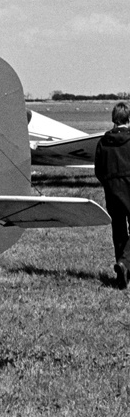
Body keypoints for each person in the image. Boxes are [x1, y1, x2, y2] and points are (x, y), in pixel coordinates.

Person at [95, 101, 130, 289]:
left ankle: (121, 274)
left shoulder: (102, 142)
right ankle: (124, 263)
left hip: (111, 191)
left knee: (118, 231)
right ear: (128, 120)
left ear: (113, 120)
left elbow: (98, 170)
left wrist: (109, 183)